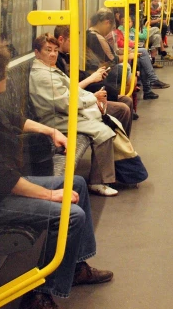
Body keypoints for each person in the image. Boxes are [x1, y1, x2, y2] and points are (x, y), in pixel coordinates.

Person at [0, 40, 112, 309]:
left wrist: (51, 130)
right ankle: (39, 294)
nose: (6, 75)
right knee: (70, 213)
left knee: (74, 183)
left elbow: (14, 120)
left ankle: (75, 266)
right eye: (2, 70)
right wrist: (51, 196)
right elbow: (5, 179)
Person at [29, 34, 121, 197]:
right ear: (37, 52)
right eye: (48, 50)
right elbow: (65, 102)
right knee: (103, 132)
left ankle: (113, 168)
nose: (53, 54)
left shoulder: (49, 68)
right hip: (56, 119)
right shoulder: (42, 75)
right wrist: (92, 99)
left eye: (55, 50)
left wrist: (91, 98)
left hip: (64, 113)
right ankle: (98, 182)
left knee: (110, 119)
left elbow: (73, 92)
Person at [53, 25, 134, 135]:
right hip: (82, 96)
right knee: (123, 109)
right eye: (71, 41)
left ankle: (123, 144)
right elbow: (70, 89)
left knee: (127, 100)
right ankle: (118, 144)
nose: (74, 45)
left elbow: (78, 74)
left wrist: (96, 75)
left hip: (85, 92)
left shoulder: (67, 56)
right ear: (61, 40)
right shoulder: (57, 62)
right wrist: (91, 78)